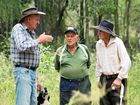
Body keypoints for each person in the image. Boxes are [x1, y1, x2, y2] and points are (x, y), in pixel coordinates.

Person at [10, 7, 53, 105]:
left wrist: (36, 78)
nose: (38, 22)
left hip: (31, 74)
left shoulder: (31, 33)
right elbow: (21, 45)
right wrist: (39, 40)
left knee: (33, 103)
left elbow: (31, 59)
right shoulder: (18, 28)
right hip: (23, 73)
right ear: (29, 19)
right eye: (37, 19)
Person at [94, 20, 131, 105]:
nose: (98, 32)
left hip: (117, 80)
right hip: (103, 80)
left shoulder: (117, 42)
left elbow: (127, 62)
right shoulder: (98, 44)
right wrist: (98, 80)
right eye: (99, 30)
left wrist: (119, 79)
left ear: (108, 33)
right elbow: (98, 64)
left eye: (101, 31)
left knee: (118, 103)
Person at [54, 27, 91, 105]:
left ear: (77, 37)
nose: (69, 38)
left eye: (72, 36)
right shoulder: (60, 51)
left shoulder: (84, 49)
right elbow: (57, 67)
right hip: (66, 83)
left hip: (84, 83)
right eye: (67, 36)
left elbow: (88, 64)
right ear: (65, 38)